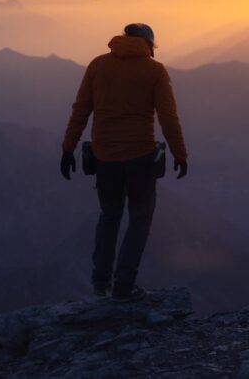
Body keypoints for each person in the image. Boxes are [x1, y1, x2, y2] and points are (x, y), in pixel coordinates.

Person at [60, 23, 188, 301]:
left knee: (109, 216)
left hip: (104, 158)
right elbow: (168, 118)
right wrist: (180, 154)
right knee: (140, 220)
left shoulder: (97, 66)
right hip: (141, 158)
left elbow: (80, 110)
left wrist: (68, 149)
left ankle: (100, 282)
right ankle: (123, 286)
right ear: (149, 45)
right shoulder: (155, 71)